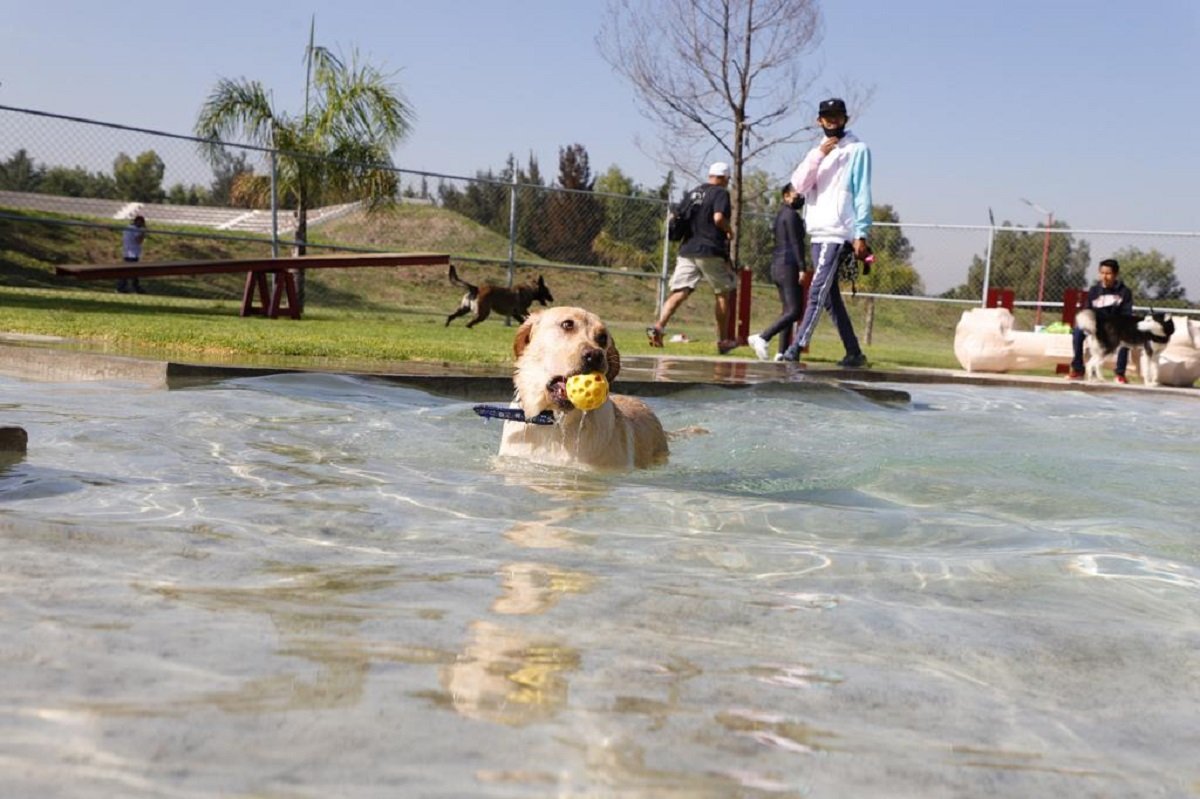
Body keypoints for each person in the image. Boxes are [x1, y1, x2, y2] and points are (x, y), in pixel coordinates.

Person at [779, 98, 870, 367]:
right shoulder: (816, 152)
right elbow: (798, 187)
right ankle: (854, 352)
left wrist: (860, 233)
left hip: (838, 231)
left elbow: (863, 192)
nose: (832, 121)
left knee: (817, 289)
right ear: (819, 120)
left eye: (837, 116)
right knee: (829, 298)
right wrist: (819, 154)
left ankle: (797, 345)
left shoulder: (857, 149)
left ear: (845, 118)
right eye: (827, 117)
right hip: (817, 230)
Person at [647, 161, 738, 354]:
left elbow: (677, 217)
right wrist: (729, 231)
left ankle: (658, 326)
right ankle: (722, 341)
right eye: (727, 179)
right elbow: (718, 218)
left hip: (687, 249)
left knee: (680, 291)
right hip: (710, 250)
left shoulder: (693, 193)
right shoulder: (721, 193)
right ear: (723, 178)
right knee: (722, 293)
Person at [748, 184, 807, 360]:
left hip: (778, 265)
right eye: (797, 194)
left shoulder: (781, 215)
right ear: (786, 196)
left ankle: (781, 352)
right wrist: (802, 267)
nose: (800, 197)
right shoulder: (791, 216)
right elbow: (796, 243)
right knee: (795, 311)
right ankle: (763, 337)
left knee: (787, 310)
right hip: (788, 265)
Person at [1067, 257, 1133, 382]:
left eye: (1108, 273)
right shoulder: (1094, 291)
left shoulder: (1124, 292)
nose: (1104, 276)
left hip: (1115, 327)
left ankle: (1120, 374)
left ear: (1115, 274)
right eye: (1102, 273)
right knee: (1077, 332)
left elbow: (1126, 314)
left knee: (1126, 336)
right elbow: (1087, 310)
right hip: (1096, 326)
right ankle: (1078, 369)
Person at [117, 215, 147, 294]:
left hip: (127, 251)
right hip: (132, 253)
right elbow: (138, 240)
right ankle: (131, 287)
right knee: (133, 271)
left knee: (128, 270)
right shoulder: (135, 229)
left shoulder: (128, 227)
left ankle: (125, 286)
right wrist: (143, 232)